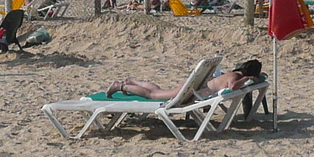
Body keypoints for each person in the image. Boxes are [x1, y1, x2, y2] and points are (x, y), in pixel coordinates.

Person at [104, 59, 263, 102]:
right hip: (190, 91)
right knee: (152, 95)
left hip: (194, 87)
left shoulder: (233, 73)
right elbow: (234, 87)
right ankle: (121, 86)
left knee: (158, 90)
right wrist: (249, 78)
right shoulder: (236, 77)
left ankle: (131, 81)